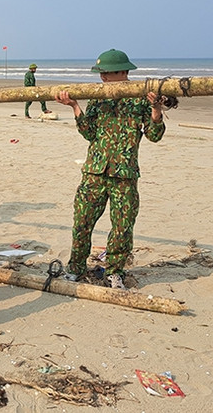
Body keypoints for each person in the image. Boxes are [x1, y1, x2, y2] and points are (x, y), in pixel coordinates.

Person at [54, 49, 165, 289]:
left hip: (124, 175)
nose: (102, 77)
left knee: (122, 228)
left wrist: (156, 110)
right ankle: (75, 268)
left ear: (123, 72)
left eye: (107, 72)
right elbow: (89, 133)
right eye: (101, 73)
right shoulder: (98, 97)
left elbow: (154, 135)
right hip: (94, 173)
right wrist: (75, 107)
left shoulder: (140, 98)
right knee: (82, 223)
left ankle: (114, 273)